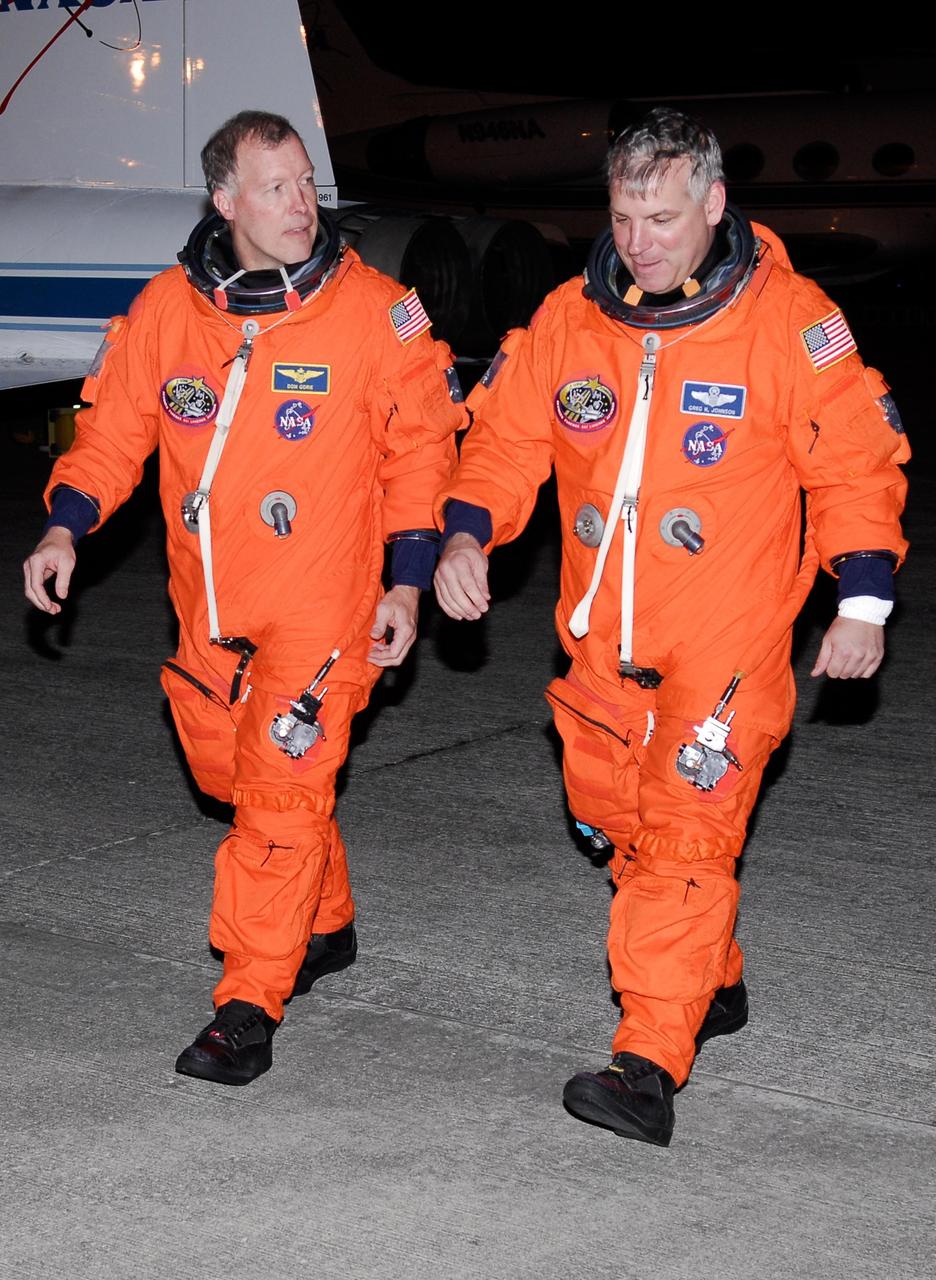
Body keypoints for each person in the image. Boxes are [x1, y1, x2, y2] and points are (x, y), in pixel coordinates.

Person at [433, 108, 908, 1146]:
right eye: (623, 215)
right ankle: (712, 978)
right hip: (602, 647)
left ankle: (646, 1056)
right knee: (627, 827)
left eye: (662, 216)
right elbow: (503, 442)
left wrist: (862, 598)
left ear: (714, 204)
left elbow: (855, 464)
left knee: (686, 835)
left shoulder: (792, 321)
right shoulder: (569, 319)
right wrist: (466, 537)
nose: (640, 240)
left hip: (726, 647)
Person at [23, 110, 464, 1087]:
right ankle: (328, 917)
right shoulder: (167, 314)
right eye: (276, 187)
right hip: (210, 611)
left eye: (308, 183)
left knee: (276, 796)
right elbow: (109, 435)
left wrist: (406, 577)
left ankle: (247, 1000)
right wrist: (64, 525)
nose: (302, 203)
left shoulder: (376, 313)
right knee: (237, 775)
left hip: (326, 609)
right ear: (226, 202)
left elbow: (422, 450)